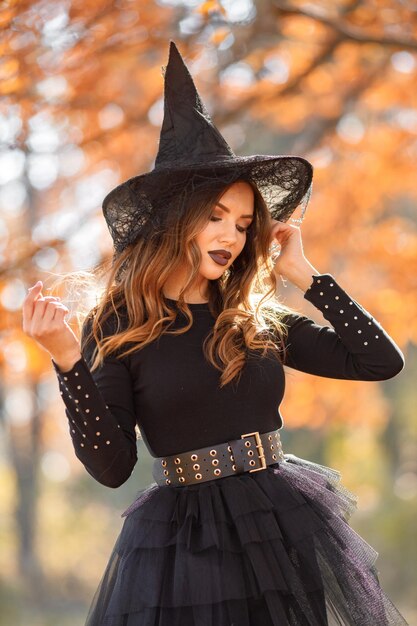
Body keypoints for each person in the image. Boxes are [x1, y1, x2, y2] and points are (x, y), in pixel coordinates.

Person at [22, 42, 408, 625]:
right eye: (216, 216)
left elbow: (380, 362)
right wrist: (67, 363)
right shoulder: (118, 324)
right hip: (185, 547)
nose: (232, 234)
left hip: (279, 525)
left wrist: (307, 275)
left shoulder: (254, 318)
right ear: (176, 218)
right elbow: (111, 466)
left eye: (245, 222)